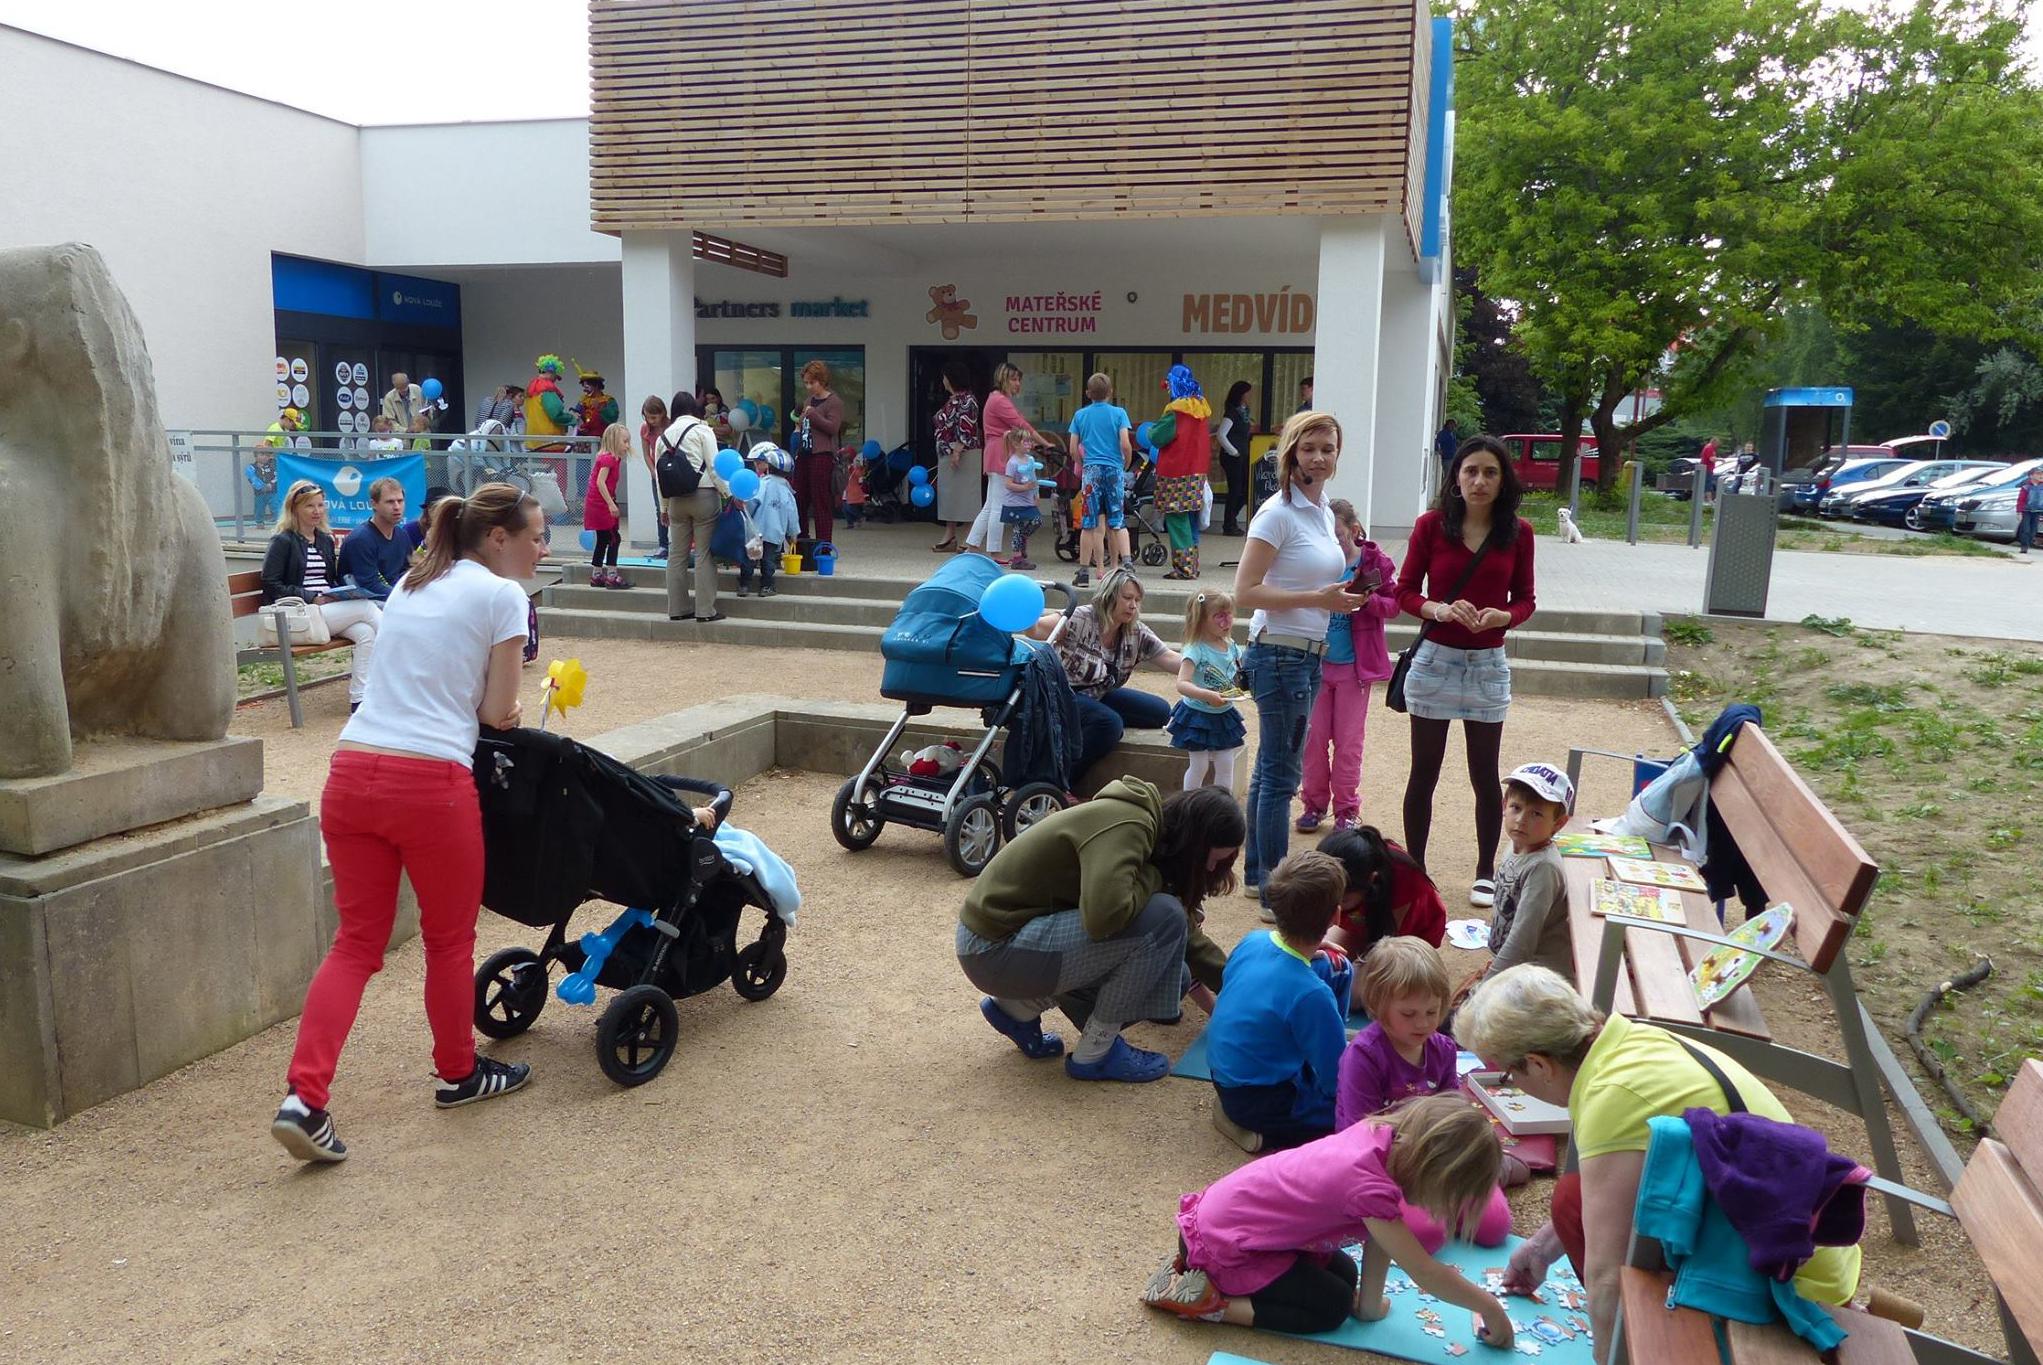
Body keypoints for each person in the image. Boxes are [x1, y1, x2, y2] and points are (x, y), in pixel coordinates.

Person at [269, 482, 547, 1163]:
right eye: (535, 535)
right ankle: (458, 1071)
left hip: (352, 769)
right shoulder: (504, 596)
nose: (543, 547)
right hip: (431, 783)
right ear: (498, 538)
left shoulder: (413, 582)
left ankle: (304, 1097)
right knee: (449, 940)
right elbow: (496, 713)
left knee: (356, 944)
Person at [1456, 966, 1863, 1352]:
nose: (1514, 1086)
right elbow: (1614, 1195)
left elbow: (1607, 1275)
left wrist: (1606, 1357)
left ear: (1539, 1065)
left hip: (1789, 1282)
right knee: (1574, 1200)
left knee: (1574, 1200)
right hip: (1796, 1242)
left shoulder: (1611, 1096)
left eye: (1510, 1076)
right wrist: (1541, 1249)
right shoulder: (1629, 1041)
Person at [1140, 1093, 1513, 1346]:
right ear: (1434, 1174)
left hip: (1232, 1227)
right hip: (1223, 1246)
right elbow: (1426, 1273)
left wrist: (1368, 1309)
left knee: (1346, 1275)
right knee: (1331, 1307)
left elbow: (1381, 1236)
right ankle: (1209, 1305)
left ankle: (1210, 1285)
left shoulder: (1384, 1139)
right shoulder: (1367, 1185)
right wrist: (1491, 1309)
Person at [956, 782, 1241, 1083]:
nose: (1212, 869)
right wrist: (1156, 878)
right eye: (1214, 860)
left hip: (1007, 944)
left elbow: (1186, 937)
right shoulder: (1131, 824)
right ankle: (1097, 1053)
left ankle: (1016, 1009)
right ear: (1197, 841)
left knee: (1174, 976)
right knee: (1165, 913)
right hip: (992, 948)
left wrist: (1238, 989)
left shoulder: (1151, 830)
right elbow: (1105, 917)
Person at [1397, 434, 1537, 909]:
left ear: (1504, 481)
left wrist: (1504, 617)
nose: (1479, 481)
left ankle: (1484, 872)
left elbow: (1526, 600)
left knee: (1485, 773)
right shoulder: (1431, 526)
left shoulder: (1519, 532)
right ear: (1455, 477)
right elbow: (1404, 593)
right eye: (1470, 471)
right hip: (1435, 659)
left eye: (1490, 472)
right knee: (1424, 772)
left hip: (1487, 664)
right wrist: (1437, 609)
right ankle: (1416, 868)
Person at [1233, 409, 1354, 916]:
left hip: (1305, 651)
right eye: (1309, 449)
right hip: (1278, 652)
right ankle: (1274, 887)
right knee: (1283, 775)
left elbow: (1317, 581)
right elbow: (1245, 593)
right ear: (1291, 453)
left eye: (1328, 449)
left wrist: (1340, 595)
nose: (1320, 457)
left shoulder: (1322, 510)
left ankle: (1259, 875)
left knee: (1270, 769)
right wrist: (1317, 599)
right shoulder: (1277, 513)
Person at [1335, 938, 1519, 1248]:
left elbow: (1453, 1112)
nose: (1423, 1023)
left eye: (1432, 1011)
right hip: (1383, 1163)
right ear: (1378, 1007)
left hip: (1436, 1157)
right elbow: (1358, 1134)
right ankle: (1497, 1172)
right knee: (1425, 1235)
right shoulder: (1364, 1055)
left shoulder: (1442, 1048)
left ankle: (1497, 1168)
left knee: (1495, 1227)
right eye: (1409, 1014)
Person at [1206, 850, 1351, 1153]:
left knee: (1332, 966)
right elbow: (1338, 1083)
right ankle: (1255, 1132)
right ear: (1335, 916)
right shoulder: (1310, 994)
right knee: (1357, 1112)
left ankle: (1239, 1111)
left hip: (1227, 1076)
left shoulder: (1252, 940)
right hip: (1259, 1100)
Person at [1032, 567, 1183, 790]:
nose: (1133, 605)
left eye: (1137, 600)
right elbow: (1035, 630)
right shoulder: (1081, 617)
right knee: (1110, 724)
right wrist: (1022, 609)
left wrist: (1206, 666)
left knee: (1160, 711)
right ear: (1109, 596)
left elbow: (1169, 658)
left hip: (1097, 693)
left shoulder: (1135, 631)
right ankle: (1059, 781)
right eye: (1127, 598)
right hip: (1059, 692)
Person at [1299, 499, 1399, 835]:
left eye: (1339, 535)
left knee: (1348, 742)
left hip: (1355, 668)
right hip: (1316, 664)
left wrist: (1368, 601)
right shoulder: (1317, 562)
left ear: (1354, 531)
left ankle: (1346, 808)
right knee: (1312, 739)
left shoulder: (1375, 562)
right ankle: (1313, 804)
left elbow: (1394, 604)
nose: (1334, 543)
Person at [1456, 762, 1574, 1003]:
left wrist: (1487, 988)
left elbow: (1522, 942)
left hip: (1537, 980)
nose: (1521, 820)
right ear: (1504, 805)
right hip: (1515, 970)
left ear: (1559, 823)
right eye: (1516, 807)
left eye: (1536, 813)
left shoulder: (1543, 867)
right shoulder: (1517, 845)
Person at [261, 480, 382, 712]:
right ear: (294, 509)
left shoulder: (325, 539)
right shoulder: (283, 541)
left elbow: (330, 579)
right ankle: (402, 656)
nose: (317, 511)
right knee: (367, 608)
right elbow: (271, 583)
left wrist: (341, 593)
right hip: (300, 613)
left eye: (320, 505)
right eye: (310, 506)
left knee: (366, 633)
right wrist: (311, 596)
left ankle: (359, 700)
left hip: (326, 610)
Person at [1317, 825, 1448, 963]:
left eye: (1343, 900)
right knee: (1322, 957)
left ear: (1371, 879)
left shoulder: (1403, 877)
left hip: (1408, 931)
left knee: (1378, 970)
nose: (1336, 906)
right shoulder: (1325, 872)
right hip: (1366, 920)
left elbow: (1388, 943)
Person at [964, 362, 1047, 561]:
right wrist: (1044, 443)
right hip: (1001, 453)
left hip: (996, 452)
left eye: (1019, 379)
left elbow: (1017, 427)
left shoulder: (997, 399)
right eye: (1013, 379)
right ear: (1003, 379)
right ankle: (994, 551)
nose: (1018, 384)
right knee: (999, 506)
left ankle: (972, 545)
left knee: (991, 504)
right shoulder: (1000, 401)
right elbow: (1021, 425)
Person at [1168, 589, 1246, 791]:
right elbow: (1182, 683)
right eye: (1219, 615)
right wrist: (1207, 695)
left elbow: (1237, 674)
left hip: (1223, 714)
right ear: (1201, 620)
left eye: (1229, 614)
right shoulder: (1196, 649)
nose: (1227, 620)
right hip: (1198, 715)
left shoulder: (1231, 645)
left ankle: (1222, 807)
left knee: (1226, 765)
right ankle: (1190, 806)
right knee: (1199, 765)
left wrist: (1242, 687)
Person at [659, 392, 726, 623]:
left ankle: (677, 609)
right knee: (703, 554)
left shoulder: (663, 437)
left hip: (676, 501)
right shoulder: (702, 430)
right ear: (694, 409)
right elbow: (715, 467)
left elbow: (661, 477)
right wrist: (727, 493)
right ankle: (705, 610)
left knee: (676, 555)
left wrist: (663, 508)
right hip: (704, 496)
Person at [1067, 372, 1133, 584]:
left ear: (1088, 393)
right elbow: (1124, 443)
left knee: (1089, 522)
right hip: (1113, 469)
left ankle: (1084, 571)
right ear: (1111, 392)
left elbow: (1072, 448)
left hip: (1091, 470)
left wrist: (1082, 463)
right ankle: (1128, 564)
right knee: (1117, 520)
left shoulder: (1080, 415)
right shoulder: (1119, 413)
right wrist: (1126, 462)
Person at [1151, 364, 1213, 579]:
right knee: (1190, 518)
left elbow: (1157, 437)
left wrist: (1151, 429)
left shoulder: (1176, 412)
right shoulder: (1201, 409)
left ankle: (1184, 569)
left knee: (1177, 520)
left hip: (1175, 471)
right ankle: (1193, 565)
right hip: (1196, 471)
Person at [931, 362, 982, 552]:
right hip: (946, 452)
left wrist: (957, 451)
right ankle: (950, 534)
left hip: (964, 453)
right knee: (949, 495)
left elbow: (966, 426)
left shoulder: (968, 400)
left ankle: (969, 536)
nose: (943, 380)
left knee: (967, 495)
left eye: (945, 376)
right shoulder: (952, 400)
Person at [794, 359, 846, 544]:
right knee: (799, 497)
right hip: (805, 453)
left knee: (821, 501)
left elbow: (833, 428)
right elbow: (802, 422)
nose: (809, 387)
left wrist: (813, 415)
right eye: (806, 383)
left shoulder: (834, 402)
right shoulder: (809, 400)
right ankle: (802, 539)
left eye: (812, 382)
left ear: (822, 381)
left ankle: (824, 545)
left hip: (822, 455)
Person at [739, 443, 799, 599]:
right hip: (774, 532)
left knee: (750, 557)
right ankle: (766, 586)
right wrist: (793, 533)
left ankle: (744, 585)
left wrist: (747, 517)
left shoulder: (762, 484)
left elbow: (752, 503)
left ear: (769, 467)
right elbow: (792, 515)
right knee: (768, 561)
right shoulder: (788, 492)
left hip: (756, 529)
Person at [338, 477, 411, 601]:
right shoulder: (360, 539)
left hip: (395, 599)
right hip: (364, 603)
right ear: (374, 504)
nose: (397, 507)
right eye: (390, 502)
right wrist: (403, 599)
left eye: (400, 501)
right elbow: (369, 585)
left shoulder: (402, 535)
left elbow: (407, 572)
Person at [584, 422, 628, 589]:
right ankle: (611, 574)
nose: (627, 445)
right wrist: (611, 503)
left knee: (603, 539)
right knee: (613, 538)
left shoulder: (609, 458)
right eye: (624, 441)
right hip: (601, 503)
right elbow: (600, 482)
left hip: (597, 501)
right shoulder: (608, 459)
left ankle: (596, 574)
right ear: (614, 441)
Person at [995, 428, 1044, 570]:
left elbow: (1033, 479)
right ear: (1016, 444)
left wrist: (1036, 494)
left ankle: (1022, 542)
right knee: (1018, 528)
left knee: (1037, 521)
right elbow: (1008, 484)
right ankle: (1017, 558)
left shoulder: (1030, 460)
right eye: (1026, 441)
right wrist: (1024, 488)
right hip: (1014, 503)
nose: (1029, 444)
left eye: (1030, 441)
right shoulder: (1013, 462)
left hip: (1028, 501)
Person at [1214, 380, 1254, 536]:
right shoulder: (1232, 413)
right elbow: (1221, 435)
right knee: (1235, 490)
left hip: (1242, 455)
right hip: (1233, 457)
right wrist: (1234, 452)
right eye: (1248, 392)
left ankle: (1231, 518)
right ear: (1242, 394)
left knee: (1244, 490)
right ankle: (1229, 524)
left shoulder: (1245, 411)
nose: (1251, 395)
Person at [639, 394, 671, 559]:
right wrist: (653, 472)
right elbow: (646, 454)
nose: (651, 420)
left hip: (672, 472)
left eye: (654, 417)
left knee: (677, 508)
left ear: (663, 413)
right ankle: (663, 545)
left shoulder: (671, 426)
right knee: (660, 509)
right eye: (647, 417)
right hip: (657, 474)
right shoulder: (645, 429)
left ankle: (681, 544)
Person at [244, 445, 279, 525]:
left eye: (267, 455)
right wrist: (261, 486)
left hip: (273, 492)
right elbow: (252, 478)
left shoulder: (273, 465)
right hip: (259, 493)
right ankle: (259, 522)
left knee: (276, 506)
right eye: (262, 454)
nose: (265, 457)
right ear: (255, 456)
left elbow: (277, 476)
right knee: (259, 508)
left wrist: (271, 484)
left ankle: (279, 521)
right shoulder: (252, 467)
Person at [2018, 464, 2043, 555]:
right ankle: (2024, 546)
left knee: (2033, 530)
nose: (2041, 476)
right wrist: (2019, 512)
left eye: (2042, 474)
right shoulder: (2026, 487)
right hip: (2026, 511)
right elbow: (2021, 500)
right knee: (2026, 529)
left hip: (2037, 511)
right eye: (2038, 474)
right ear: (2031, 476)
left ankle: (2028, 542)